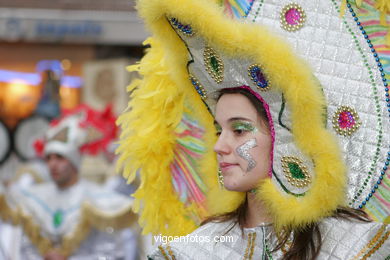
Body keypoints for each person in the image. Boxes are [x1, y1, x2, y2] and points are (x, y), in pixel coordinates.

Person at [116, 0, 390, 259]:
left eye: (239, 130)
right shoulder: (196, 250)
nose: (219, 147)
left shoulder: (362, 246)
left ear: (288, 139)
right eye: (218, 131)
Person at [0, 105, 138, 260]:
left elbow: (111, 253)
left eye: (60, 157)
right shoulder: (32, 198)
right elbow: (23, 250)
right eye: (49, 158)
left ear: (74, 162)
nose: (53, 164)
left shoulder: (100, 200)